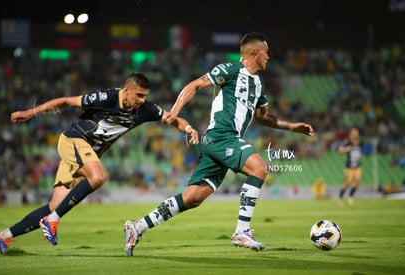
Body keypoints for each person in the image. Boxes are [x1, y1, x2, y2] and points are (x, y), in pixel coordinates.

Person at [123, 32, 315, 256]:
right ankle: (242, 231)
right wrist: (174, 112)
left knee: (193, 198)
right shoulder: (232, 70)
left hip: (223, 142)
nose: (269, 57)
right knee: (260, 168)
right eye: (266, 52)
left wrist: (293, 127)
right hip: (221, 136)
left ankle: (137, 227)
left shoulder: (259, 84)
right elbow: (195, 85)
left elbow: (264, 117)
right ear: (255, 52)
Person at [0, 72, 199, 255]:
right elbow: (65, 101)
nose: (143, 100)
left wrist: (188, 128)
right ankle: (53, 220)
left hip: (85, 155)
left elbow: (172, 119)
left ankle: (3, 236)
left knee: (55, 205)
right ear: (127, 91)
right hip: (74, 140)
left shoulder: (145, 109)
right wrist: (29, 113)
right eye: (139, 95)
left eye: (145, 96)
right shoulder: (106, 98)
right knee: (98, 177)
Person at [337, 127, 362, 206]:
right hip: (349, 166)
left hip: (357, 166)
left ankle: (350, 197)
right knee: (347, 183)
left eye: (356, 132)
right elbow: (340, 150)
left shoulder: (360, 143)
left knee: (357, 182)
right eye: (354, 132)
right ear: (351, 134)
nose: (355, 134)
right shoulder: (347, 142)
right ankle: (340, 198)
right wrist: (346, 149)